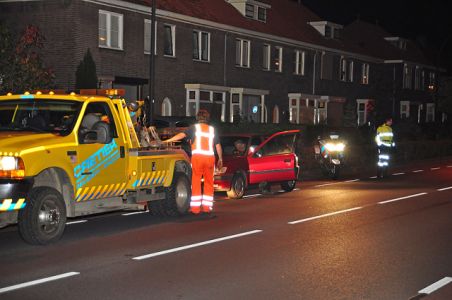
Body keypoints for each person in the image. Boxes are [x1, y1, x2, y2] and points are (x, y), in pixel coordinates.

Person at [163, 109, 223, 215]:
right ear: (207, 118)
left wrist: (169, 141)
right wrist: (221, 159)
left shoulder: (194, 128)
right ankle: (207, 207)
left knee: (196, 181)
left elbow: (182, 135)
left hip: (198, 158)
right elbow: (218, 145)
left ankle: (195, 209)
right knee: (209, 182)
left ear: (197, 118)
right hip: (210, 159)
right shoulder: (212, 130)